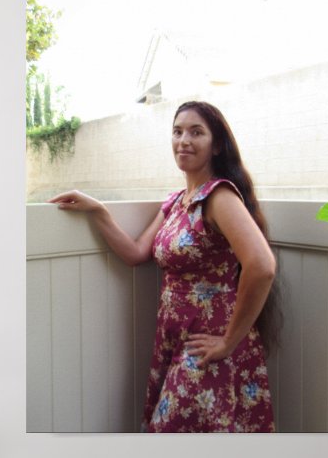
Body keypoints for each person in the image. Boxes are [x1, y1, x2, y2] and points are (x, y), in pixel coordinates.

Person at [48, 101, 281, 432]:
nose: (184, 140)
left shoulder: (218, 197)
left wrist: (228, 342)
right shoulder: (176, 202)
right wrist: (98, 211)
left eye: (196, 132)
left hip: (207, 340)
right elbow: (136, 252)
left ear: (216, 146)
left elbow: (262, 266)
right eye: (177, 131)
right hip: (174, 337)